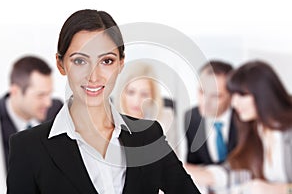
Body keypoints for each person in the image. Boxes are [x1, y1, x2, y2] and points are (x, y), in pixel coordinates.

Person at [6, 9, 200, 194]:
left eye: (106, 61)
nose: (94, 76)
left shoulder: (149, 136)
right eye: (80, 61)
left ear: (120, 64)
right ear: (61, 64)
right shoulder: (28, 147)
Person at [189, 60, 292, 194]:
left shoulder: (288, 132)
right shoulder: (256, 129)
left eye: (242, 95)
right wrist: (199, 174)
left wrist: (281, 190)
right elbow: (238, 168)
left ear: (263, 94)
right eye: (234, 95)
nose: (235, 103)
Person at [0, 55, 63, 170]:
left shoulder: (56, 110)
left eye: (49, 94)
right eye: (40, 95)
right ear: (15, 91)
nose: (48, 103)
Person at [113, 61, 178, 154]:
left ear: (153, 96)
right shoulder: (109, 119)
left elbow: (174, 158)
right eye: (131, 92)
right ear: (122, 93)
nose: (137, 101)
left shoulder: (166, 117)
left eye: (144, 94)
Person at [184, 60, 237, 166]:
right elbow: (194, 164)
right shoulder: (192, 118)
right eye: (202, 92)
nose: (205, 102)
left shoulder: (244, 119)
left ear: (231, 96)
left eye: (216, 96)